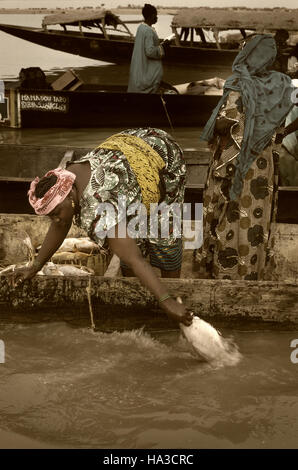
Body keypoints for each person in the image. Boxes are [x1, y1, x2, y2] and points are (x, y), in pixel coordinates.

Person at [8, 127, 192, 327]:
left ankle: (176, 293)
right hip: (133, 145)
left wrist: (167, 301)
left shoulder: (97, 211)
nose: (56, 220)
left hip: (162, 154)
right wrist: (35, 267)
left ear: (70, 196)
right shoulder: (67, 177)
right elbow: (61, 224)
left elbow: (134, 258)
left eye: (55, 213)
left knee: (164, 231)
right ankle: (142, 298)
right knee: (131, 241)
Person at [193, 34, 294, 281]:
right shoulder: (282, 85)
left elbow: (225, 124)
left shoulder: (240, 84)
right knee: (254, 216)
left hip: (234, 161)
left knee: (229, 212)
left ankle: (225, 273)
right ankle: (250, 272)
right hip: (264, 164)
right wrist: (278, 133)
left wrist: (216, 124)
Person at [127, 4, 167, 93]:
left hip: (139, 69)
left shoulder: (141, 27)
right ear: (152, 16)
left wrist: (160, 45)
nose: (157, 18)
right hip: (146, 73)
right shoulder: (148, 30)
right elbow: (149, 51)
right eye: (156, 15)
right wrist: (163, 47)